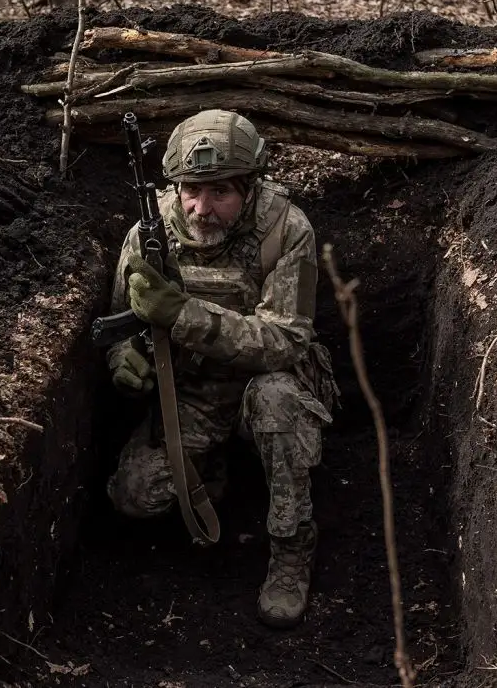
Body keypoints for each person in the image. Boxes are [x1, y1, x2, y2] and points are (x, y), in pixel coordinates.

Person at [103, 109, 338, 629]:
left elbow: (285, 339)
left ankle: (291, 548)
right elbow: (120, 323)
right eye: (190, 191)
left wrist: (184, 316)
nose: (201, 208)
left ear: (250, 188)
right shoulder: (149, 232)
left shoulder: (286, 229)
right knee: (135, 495)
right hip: (192, 388)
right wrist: (127, 360)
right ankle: (214, 467)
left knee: (277, 403)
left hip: (271, 382)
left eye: (220, 193)